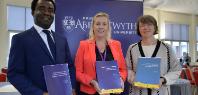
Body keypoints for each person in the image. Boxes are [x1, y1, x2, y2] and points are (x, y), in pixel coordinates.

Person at [7, 0, 76, 95]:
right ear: (32, 12)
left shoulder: (62, 40)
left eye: (50, 10)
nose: (47, 12)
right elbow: (14, 74)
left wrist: (72, 87)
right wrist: (39, 93)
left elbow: (70, 66)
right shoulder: (20, 39)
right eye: (41, 8)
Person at [125, 15, 182, 95]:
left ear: (155, 27)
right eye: (142, 25)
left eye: (149, 25)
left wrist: (163, 79)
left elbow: (176, 69)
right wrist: (133, 79)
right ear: (138, 29)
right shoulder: (132, 48)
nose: (146, 28)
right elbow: (127, 68)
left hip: (160, 91)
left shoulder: (167, 48)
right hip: (137, 91)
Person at [75, 12, 127, 95]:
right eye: (98, 24)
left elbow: (123, 70)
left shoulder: (116, 44)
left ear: (108, 27)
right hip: (90, 91)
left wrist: (121, 79)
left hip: (112, 91)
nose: (101, 27)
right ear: (93, 26)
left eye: (104, 24)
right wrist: (92, 82)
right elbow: (77, 72)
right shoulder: (83, 45)